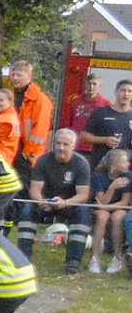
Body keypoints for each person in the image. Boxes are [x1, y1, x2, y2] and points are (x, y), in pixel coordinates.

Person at [16, 127, 92, 273]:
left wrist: (64, 203)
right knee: (27, 209)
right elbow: (34, 190)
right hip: (45, 203)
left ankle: (73, 262)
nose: (61, 148)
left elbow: (83, 195)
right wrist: (42, 202)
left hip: (70, 203)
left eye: (65, 144)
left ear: (73, 146)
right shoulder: (43, 161)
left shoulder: (81, 163)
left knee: (82, 212)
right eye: (58, 143)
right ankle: (24, 259)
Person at [8, 60, 54, 188]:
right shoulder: (12, 96)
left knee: (24, 194)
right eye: (13, 75)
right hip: (13, 152)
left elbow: (40, 131)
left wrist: (27, 154)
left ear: (29, 76)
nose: (15, 78)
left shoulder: (40, 100)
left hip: (29, 156)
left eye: (19, 75)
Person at [89, 149, 130, 275]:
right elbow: (102, 200)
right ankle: (95, 258)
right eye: (124, 162)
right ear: (114, 165)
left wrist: (106, 207)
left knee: (118, 217)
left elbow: (124, 202)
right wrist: (113, 187)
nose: (128, 164)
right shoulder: (98, 176)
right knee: (102, 217)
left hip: (118, 207)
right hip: (101, 208)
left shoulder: (128, 176)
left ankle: (116, 258)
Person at [79, 78, 132, 169]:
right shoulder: (101, 112)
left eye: (129, 91)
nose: (126, 94)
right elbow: (83, 136)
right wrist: (104, 140)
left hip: (124, 168)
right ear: (115, 92)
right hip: (100, 165)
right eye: (123, 90)